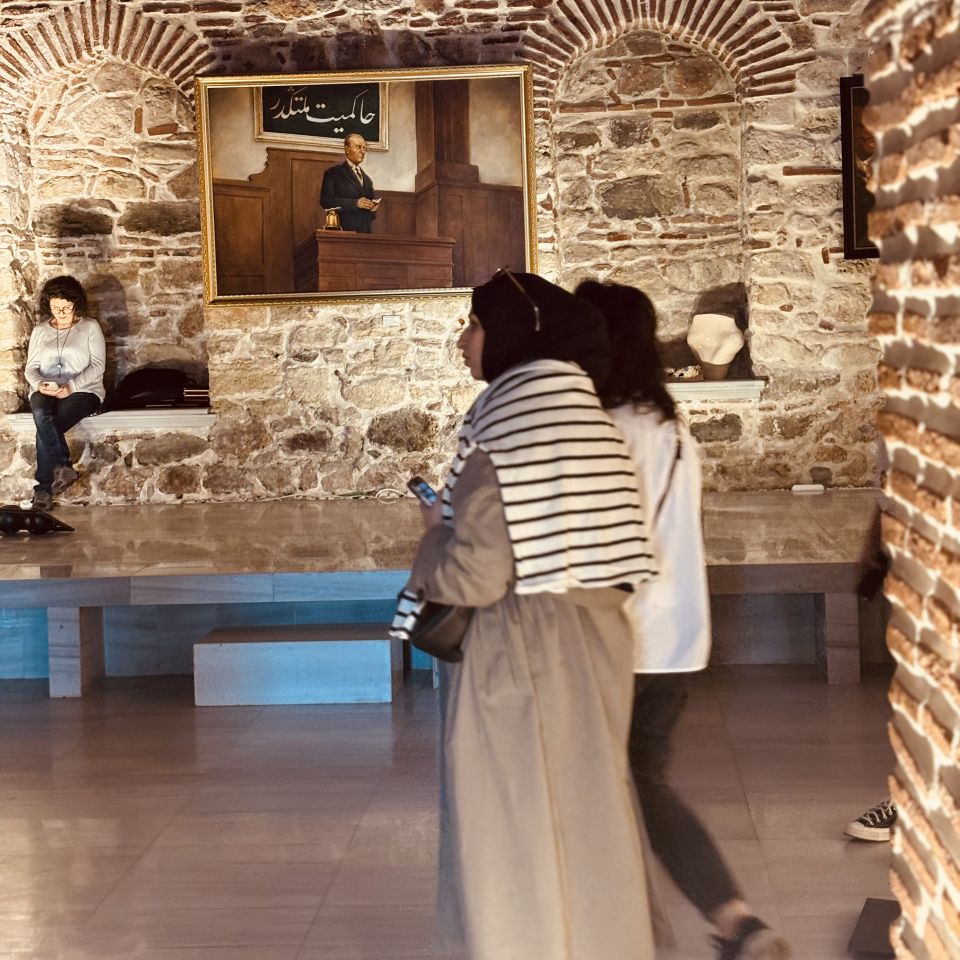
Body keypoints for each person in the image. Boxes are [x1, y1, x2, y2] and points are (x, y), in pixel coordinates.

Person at [392, 270, 659, 960]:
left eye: (476, 324)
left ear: (517, 335)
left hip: (517, 652)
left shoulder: (509, 431)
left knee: (510, 827)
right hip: (596, 642)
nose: (463, 340)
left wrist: (431, 538)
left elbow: (476, 576)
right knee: (587, 819)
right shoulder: (589, 423)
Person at [576, 280, 791, 960]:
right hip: (674, 639)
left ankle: (610, 931)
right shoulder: (669, 429)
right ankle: (733, 921)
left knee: (597, 787)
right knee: (642, 780)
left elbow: (599, 543)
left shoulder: (602, 429)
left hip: (618, 635)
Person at [24, 276, 105, 511]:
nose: (60, 312)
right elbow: (31, 368)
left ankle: (43, 490)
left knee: (47, 426)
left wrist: (71, 386)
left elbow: (98, 366)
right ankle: (63, 466)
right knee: (42, 412)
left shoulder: (90, 327)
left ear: (76, 304)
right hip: (45, 388)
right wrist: (39, 384)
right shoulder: (40, 331)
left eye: (66, 308)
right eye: (55, 307)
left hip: (83, 390)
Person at [319, 133, 380, 233]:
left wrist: (373, 209)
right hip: (343, 233)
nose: (362, 151)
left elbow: (371, 216)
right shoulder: (333, 173)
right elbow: (326, 202)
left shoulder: (367, 180)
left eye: (364, 148)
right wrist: (355, 203)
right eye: (358, 147)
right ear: (347, 149)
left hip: (365, 235)